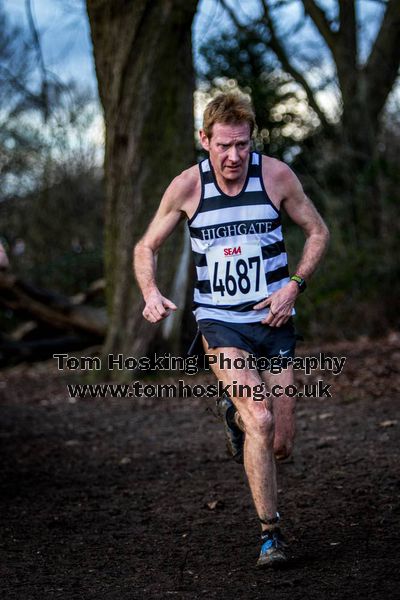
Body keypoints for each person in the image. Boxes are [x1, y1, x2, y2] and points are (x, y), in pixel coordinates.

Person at [134, 93, 329, 568]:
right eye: (223, 145)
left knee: (280, 442)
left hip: (274, 319)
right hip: (220, 322)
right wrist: (151, 293)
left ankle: (233, 413)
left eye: (242, 144)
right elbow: (146, 246)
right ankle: (271, 535)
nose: (234, 156)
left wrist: (294, 287)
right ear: (205, 141)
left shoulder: (277, 176)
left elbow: (318, 231)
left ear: (252, 140)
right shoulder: (186, 187)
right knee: (260, 419)